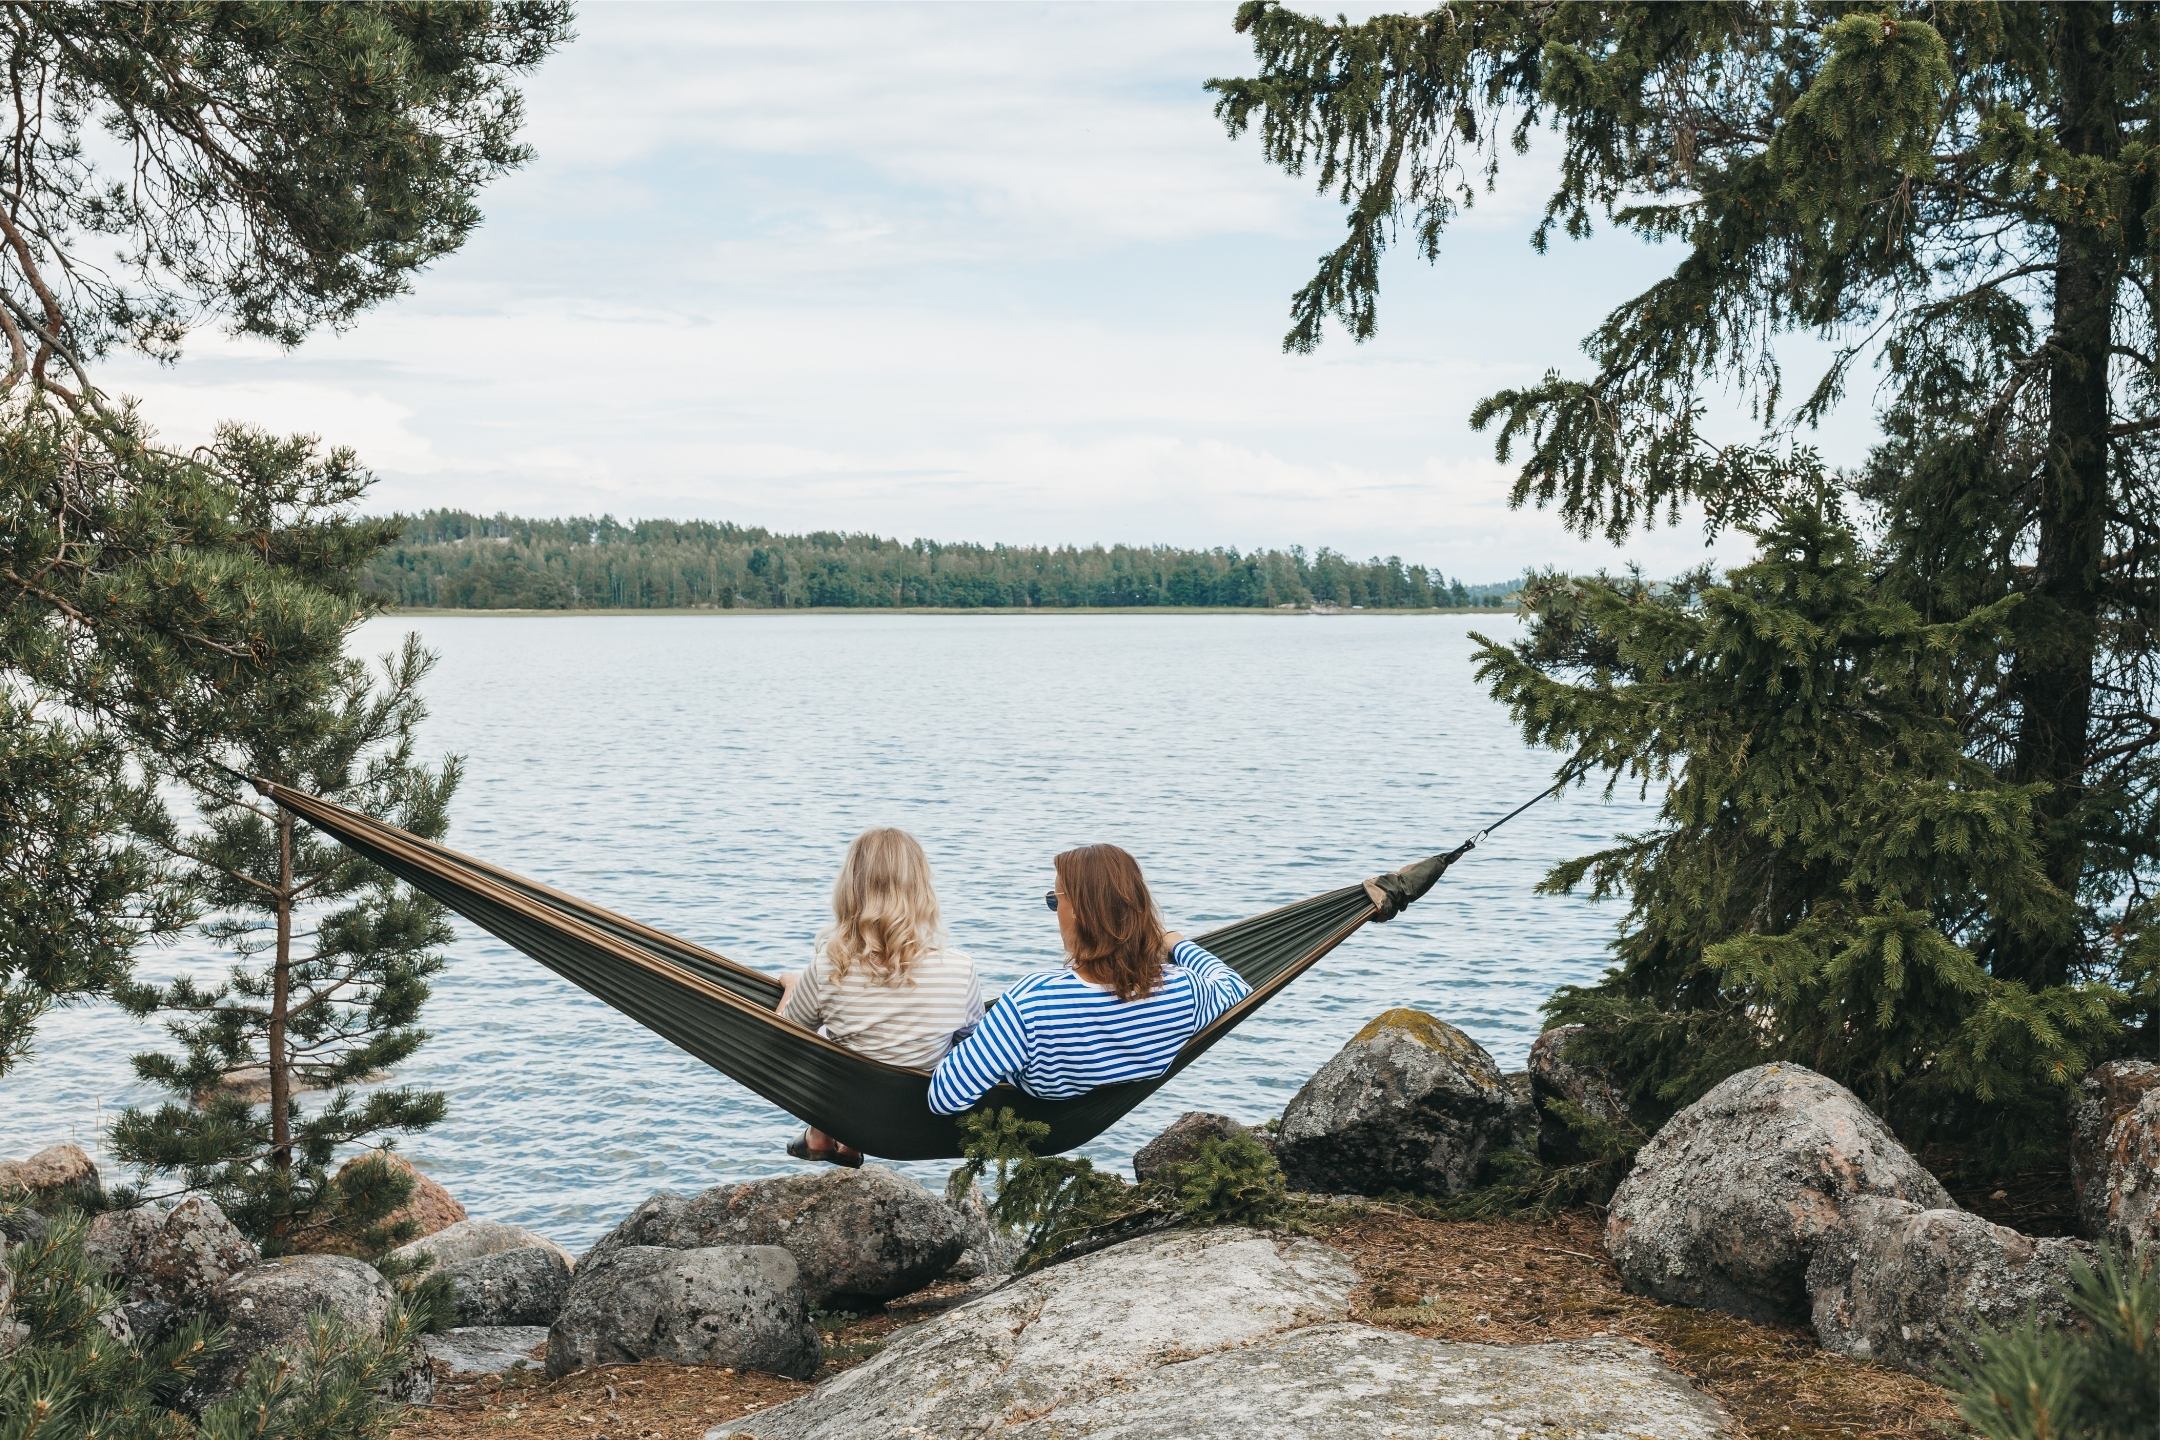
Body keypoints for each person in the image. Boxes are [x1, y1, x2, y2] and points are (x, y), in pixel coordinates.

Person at [927, 843, 1249, 1116]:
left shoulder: (1033, 1003)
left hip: (1035, 1106)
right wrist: (1174, 942)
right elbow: (1237, 989)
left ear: (1078, 911)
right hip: (1095, 1103)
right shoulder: (1184, 991)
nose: (1054, 911)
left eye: (1055, 900)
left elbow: (946, 1096)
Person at [779, 827, 981, 1165]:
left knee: (828, 1040)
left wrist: (792, 988)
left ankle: (822, 1133)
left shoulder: (828, 966)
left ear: (850, 889)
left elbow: (784, 1035)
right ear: (921, 891)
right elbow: (972, 1045)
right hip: (919, 1117)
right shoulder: (961, 970)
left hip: (848, 1110)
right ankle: (843, 1141)